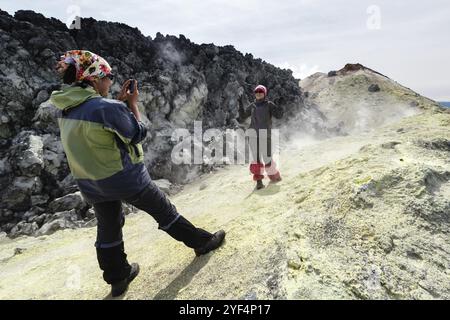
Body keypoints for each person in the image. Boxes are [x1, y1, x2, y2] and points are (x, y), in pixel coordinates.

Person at [50, 50, 225, 297]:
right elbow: (137, 133)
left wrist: (119, 107)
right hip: (125, 178)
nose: (111, 81)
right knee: (165, 212)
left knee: (108, 228)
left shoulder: (66, 111)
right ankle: (202, 242)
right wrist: (131, 104)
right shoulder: (107, 107)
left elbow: (98, 135)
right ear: (93, 78)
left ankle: (118, 277)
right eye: (107, 75)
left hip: (90, 184)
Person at [238, 85, 283, 190]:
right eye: (256, 91)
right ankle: (259, 182)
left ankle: (274, 176)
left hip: (265, 135)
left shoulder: (269, 105)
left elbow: (279, 115)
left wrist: (279, 105)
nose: (258, 93)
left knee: (267, 159)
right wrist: (240, 104)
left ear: (264, 93)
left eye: (260, 91)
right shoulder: (252, 106)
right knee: (256, 160)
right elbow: (242, 117)